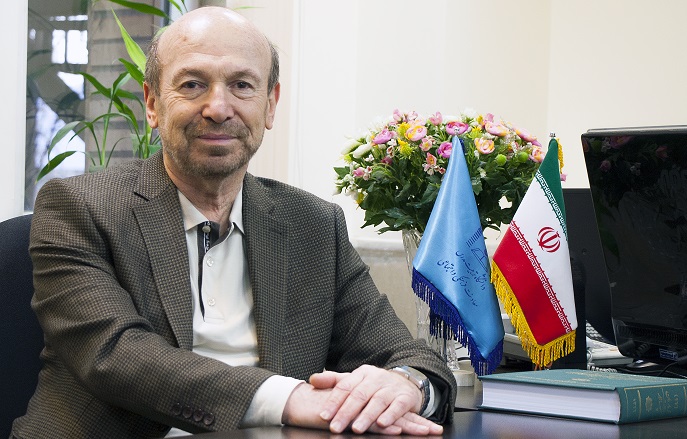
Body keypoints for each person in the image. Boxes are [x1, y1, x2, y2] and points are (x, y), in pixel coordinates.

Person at [12, 6, 456, 438]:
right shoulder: (80, 208)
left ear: (270, 104)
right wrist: (291, 399)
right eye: (192, 84)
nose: (218, 108)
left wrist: (406, 385)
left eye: (242, 85)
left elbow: (406, 354)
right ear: (152, 103)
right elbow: (115, 355)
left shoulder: (314, 225)